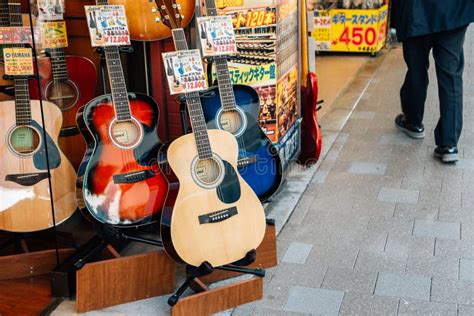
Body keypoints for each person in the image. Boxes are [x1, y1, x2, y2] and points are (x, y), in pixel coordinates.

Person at [391, 0, 474, 163]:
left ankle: (413, 121)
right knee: (451, 75)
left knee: (416, 69)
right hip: (454, 10)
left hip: (416, 10)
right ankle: (449, 143)